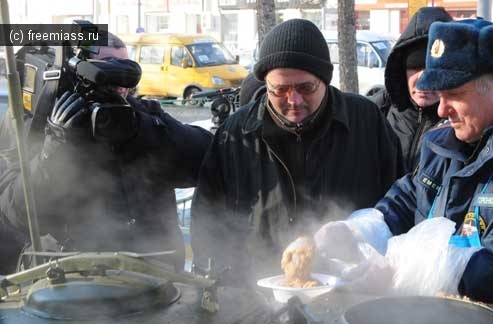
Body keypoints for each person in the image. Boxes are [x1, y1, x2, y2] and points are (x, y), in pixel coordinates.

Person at [312, 18, 493, 304]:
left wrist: (418, 269)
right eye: (439, 94)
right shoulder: (446, 139)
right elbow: (408, 198)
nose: (442, 108)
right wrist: (359, 232)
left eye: (454, 94)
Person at [190, 19, 402, 286]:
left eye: (306, 88)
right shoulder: (237, 132)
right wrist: (220, 281)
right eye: (280, 89)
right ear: (265, 85)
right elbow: (207, 217)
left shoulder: (366, 121)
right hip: (257, 291)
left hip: (351, 286)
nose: (294, 100)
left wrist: (388, 264)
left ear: (324, 80)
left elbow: (399, 204)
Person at [0, 32, 212, 274]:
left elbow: (205, 160)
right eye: (107, 71)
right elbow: (14, 214)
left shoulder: (143, 115)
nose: (121, 83)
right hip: (64, 280)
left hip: (152, 274)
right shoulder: (32, 125)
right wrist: (53, 150)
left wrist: (139, 129)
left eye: (126, 70)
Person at [371, 7, 452, 175]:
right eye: (414, 68)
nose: (423, 80)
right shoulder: (376, 113)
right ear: (401, 71)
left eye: (432, 70)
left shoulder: (463, 124)